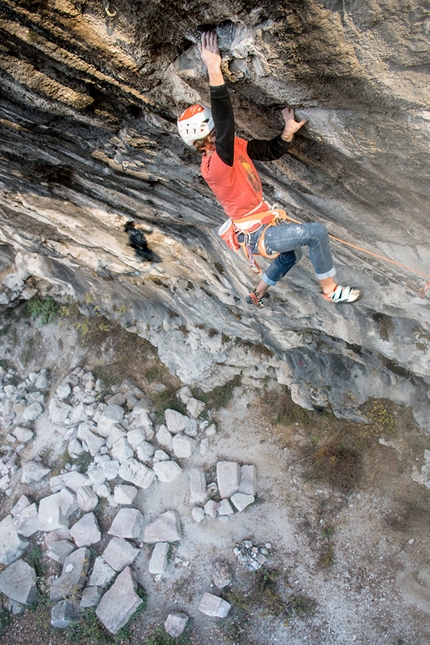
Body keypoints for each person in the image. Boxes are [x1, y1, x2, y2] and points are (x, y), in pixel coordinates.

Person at [177, 31, 362, 308]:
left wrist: (286, 133)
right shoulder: (214, 167)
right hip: (257, 234)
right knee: (316, 233)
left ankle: (259, 291)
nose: (221, 132)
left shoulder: (231, 148)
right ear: (203, 140)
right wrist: (213, 68)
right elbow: (226, 123)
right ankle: (331, 289)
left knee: (291, 256)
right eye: (214, 131)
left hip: (263, 223)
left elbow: (268, 151)